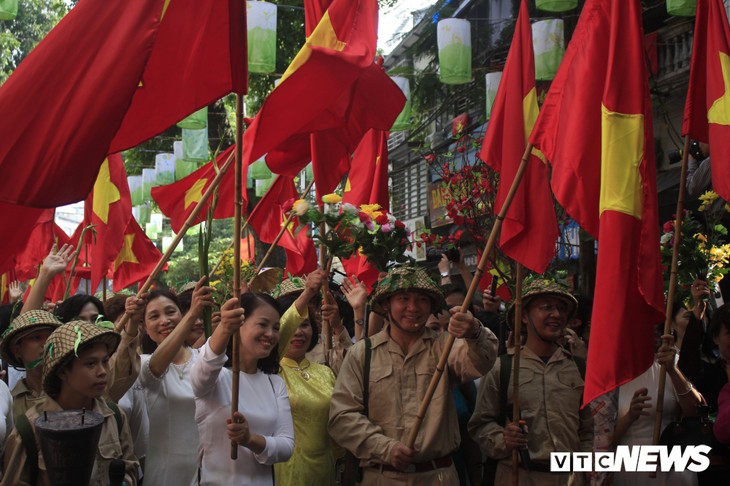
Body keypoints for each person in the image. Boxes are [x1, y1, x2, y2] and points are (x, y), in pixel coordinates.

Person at [329, 265, 498, 485]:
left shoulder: (445, 347)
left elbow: (482, 362)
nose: (413, 307)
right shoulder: (362, 354)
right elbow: (341, 418)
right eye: (404, 298)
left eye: (422, 300)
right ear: (386, 304)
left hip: (438, 477)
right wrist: (385, 448)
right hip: (381, 477)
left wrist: (474, 331)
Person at [469, 278, 593, 486]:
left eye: (562, 308)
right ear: (524, 316)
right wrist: (503, 439)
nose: (556, 314)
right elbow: (480, 426)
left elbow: (587, 429)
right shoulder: (503, 368)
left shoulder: (579, 368)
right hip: (517, 477)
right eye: (547, 307)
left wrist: (588, 467)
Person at [2, 320, 138, 485]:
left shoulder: (113, 416)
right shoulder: (30, 428)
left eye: (105, 362)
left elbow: (130, 468)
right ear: (63, 371)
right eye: (90, 364)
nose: (102, 372)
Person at [191, 292, 294, 485]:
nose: (270, 334)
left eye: (276, 328)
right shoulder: (215, 376)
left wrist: (250, 439)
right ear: (239, 323)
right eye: (262, 324)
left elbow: (286, 446)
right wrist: (224, 328)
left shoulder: (274, 383)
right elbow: (200, 378)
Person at [134, 278, 214, 486]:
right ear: (145, 327)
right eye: (154, 316)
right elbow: (156, 367)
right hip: (165, 475)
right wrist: (193, 314)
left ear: (180, 314)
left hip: (208, 472)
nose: (164, 321)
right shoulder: (144, 365)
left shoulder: (204, 360)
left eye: (170, 312)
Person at [0, 310, 62, 419]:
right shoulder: (9, 399)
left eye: (51, 336)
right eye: (36, 337)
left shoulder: (73, 391)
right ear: (17, 351)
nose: (46, 344)